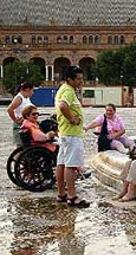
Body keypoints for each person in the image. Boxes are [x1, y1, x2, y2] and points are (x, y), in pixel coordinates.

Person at [55, 65, 90, 208]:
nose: (81, 81)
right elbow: (63, 106)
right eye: (79, 79)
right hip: (71, 133)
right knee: (71, 165)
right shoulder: (68, 91)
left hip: (65, 133)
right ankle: (72, 196)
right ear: (70, 79)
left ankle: (61, 193)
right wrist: (72, 119)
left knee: (62, 163)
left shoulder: (63, 89)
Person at [6, 82, 34, 146]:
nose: (33, 93)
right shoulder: (19, 98)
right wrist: (15, 119)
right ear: (27, 90)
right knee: (21, 146)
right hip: (20, 125)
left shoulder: (26, 98)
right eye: (32, 91)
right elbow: (9, 109)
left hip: (27, 124)